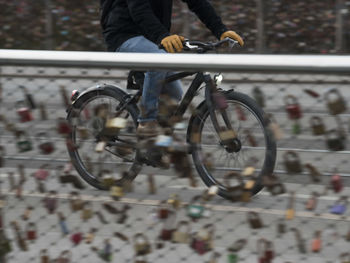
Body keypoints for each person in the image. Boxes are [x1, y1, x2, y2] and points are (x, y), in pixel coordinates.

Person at [100, 0, 244, 137]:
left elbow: (198, 3)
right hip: (124, 35)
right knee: (159, 60)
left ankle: (155, 144)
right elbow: (139, 9)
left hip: (152, 38)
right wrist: (162, 35)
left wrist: (220, 30)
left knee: (173, 94)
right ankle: (146, 122)